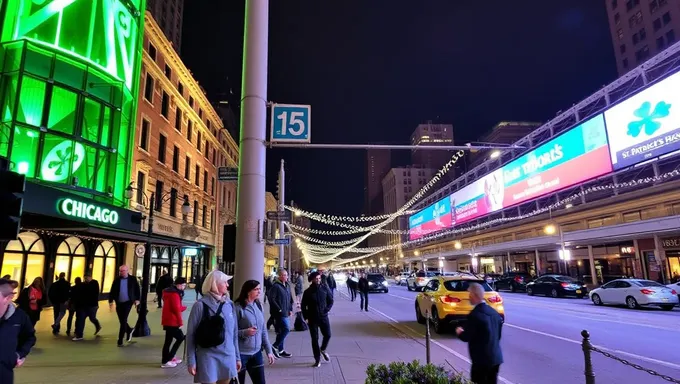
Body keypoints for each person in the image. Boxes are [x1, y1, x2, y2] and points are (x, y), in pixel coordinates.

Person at [186, 270, 241, 384]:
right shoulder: (200, 305)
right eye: (225, 282)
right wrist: (191, 361)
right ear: (215, 283)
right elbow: (191, 335)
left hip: (228, 355)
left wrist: (237, 357)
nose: (227, 285)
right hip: (207, 356)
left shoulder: (229, 304)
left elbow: (234, 334)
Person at [455, 283, 503, 384]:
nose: (468, 298)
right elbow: (498, 336)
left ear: (474, 295)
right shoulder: (494, 312)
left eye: (469, 295)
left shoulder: (475, 315)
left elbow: (466, 336)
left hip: (481, 361)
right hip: (496, 358)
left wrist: (459, 331)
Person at [234, 280, 275, 384]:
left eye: (259, 289)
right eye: (256, 289)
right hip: (241, 354)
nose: (259, 291)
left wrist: (269, 351)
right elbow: (231, 333)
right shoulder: (238, 307)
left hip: (256, 353)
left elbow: (263, 330)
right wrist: (245, 332)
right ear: (248, 291)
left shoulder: (258, 305)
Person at [0, 278, 36, 383]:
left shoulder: (19, 317)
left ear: (8, 298)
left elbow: (29, 337)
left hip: (3, 375)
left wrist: (19, 354)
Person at [301, 271, 334, 368]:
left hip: (323, 317)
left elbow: (331, 300)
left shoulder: (324, 288)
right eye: (316, 279)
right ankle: (317, 359)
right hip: (312, 318)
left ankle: (323, 349)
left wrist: (326, 310)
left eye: (319, 278)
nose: (318, 280)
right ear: (312, 279)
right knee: (315, 339)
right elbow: (303, 306)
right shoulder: (308, 292)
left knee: (328, 335)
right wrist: (306, 317)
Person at [109, 265, 141, 347]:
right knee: (122, 320)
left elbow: (137, 290)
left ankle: (120, 340)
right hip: (119, 302)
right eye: (120, 271)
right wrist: (110, 301)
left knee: (123, 320)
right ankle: (129, 330)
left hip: (128, 302)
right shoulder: (117, 280)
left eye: (123, 271)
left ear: (127, 271)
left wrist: (137, 299)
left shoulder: (132, 279)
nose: (121, 272)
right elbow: (112, 290)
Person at [161, 277, 188, 368]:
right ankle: (167, 359)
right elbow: (176, 309)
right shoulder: (174, 294)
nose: (184, 287)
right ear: (179, 285)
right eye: (184, 285)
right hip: (173, 321)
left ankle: (168, 358)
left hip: (167, 319)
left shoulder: (168, 292)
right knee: (180, 338)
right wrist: (180, 322)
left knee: (168, 340)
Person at [267, 269, 294, 358]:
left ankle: (281, 350)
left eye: (287, 275)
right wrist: (279, 309)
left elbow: (289, 298)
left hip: (286, 312)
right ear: (280, 276)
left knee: (281, 331)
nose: (287, 276)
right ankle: (275, 346)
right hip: (279, 313)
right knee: (286, 329)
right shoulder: (276, 286)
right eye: (285, 275)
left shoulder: (287, 285)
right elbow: (272, 299)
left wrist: (290, 309)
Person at [73, 274, 102, 341]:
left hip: (92, 306)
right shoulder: (83, 285)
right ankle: (79, 335)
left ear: (90, 277)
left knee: (92, 318)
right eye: (85, 278)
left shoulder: (94, 283)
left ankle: (97, 325)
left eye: (87, 278)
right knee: (81, 319)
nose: (86, 280)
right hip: (83, 306)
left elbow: (93, 292)